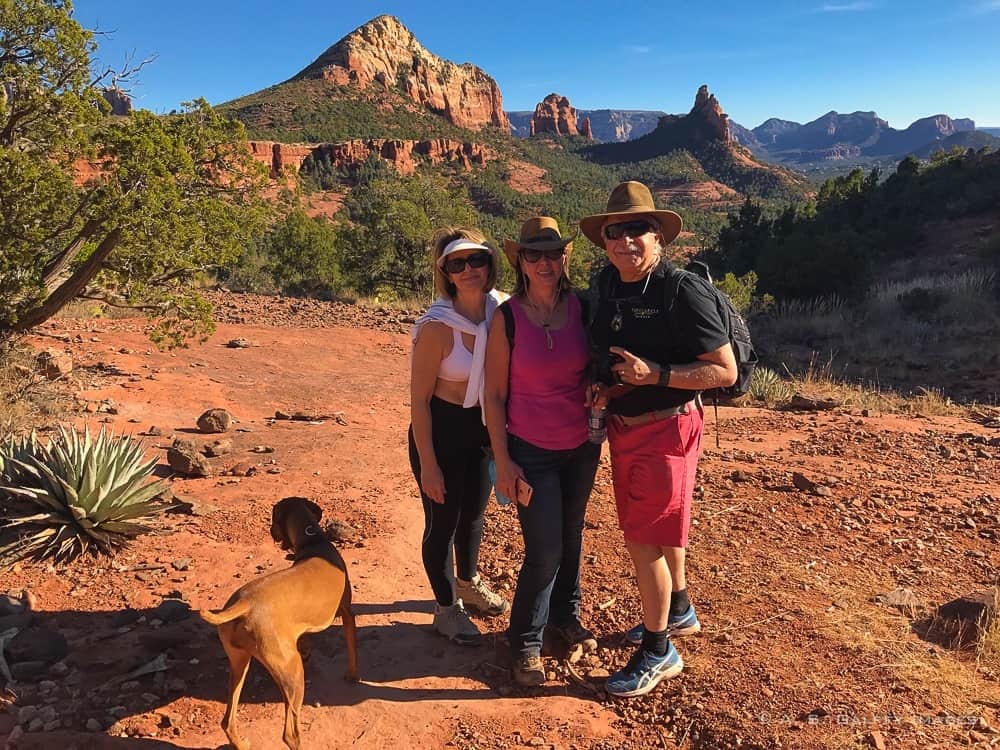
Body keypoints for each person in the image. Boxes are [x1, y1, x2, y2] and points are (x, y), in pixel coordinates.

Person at [580, 182, 737, 697]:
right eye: (615, 230)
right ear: (603, 240)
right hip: (629, 425)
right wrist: (610, 384)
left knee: (642, 538)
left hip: (666, 427)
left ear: (659, 237)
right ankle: (679, 609)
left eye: (637, 229)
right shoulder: (608, 285)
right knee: (662, 527)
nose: (625, 239)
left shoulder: (681, 290)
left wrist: (656, 376)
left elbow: (723, 372)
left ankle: (657, 648)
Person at [483, 217, 601, 687]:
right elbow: (493, 396)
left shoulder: (583, 308)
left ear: (565, 256)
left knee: (571, 534)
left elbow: (597, 365)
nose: (545, 262)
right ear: (521, 262)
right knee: (545, 547)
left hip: (581, 446)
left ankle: (563, 621)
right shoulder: (507, 317)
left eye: (553, 252)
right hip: (529, 451)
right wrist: (503, 461)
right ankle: (526, 642)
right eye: (534, 254)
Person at [409, 227, 510, 645]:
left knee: (473, 515)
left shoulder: (501, 311)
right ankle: (446, 609)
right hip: (442, 428)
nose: (469, 269)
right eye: (457, 263)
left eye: (477, 259)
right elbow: (418, 402)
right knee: (443, 522)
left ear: (490, 265)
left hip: (482, 430)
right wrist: (428, 463)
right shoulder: (436, 327)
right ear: (445, 272)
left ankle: (467, 583)